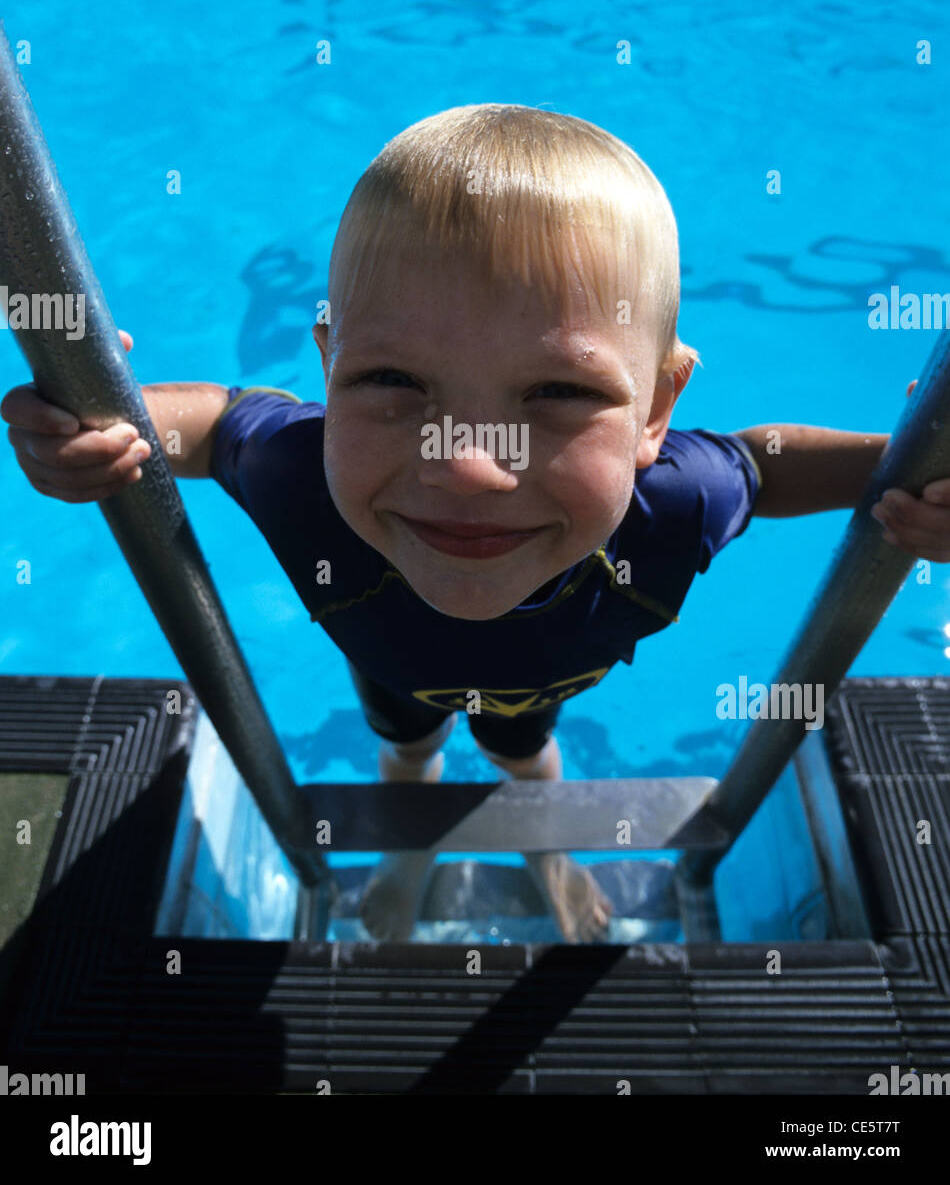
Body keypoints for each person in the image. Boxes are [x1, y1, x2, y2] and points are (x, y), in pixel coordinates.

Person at [4, 103, 950, 944]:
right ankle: (409, 861)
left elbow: (764, 463)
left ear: (656, 412)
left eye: (557, 392)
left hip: (536, 678)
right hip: (392, 662)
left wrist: (906, 469)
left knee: (524, 749)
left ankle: (549, 861)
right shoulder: (305, 473)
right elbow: (210, 423)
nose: (463, 463)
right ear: (330, 375)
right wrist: (110, 428)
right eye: (393, 383)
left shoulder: (674, 504)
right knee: (406, 748)